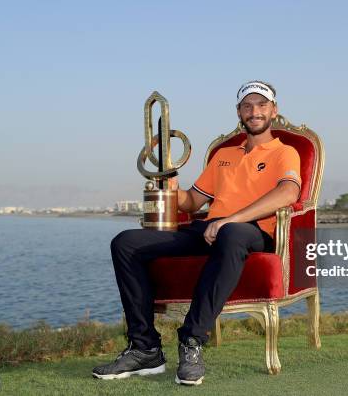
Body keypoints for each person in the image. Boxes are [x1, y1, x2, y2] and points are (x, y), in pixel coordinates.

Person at [92, 80, 302, 385]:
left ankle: (191, 340)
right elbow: (193, 201)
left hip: (253, 232)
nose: (254, 111)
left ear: (273, 110)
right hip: (210, 230)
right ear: (239, 113)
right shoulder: (224, 155)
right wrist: (173, 184)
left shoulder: (285, 152)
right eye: (247, 106)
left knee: (232, 233)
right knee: (126, 243)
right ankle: (145, 348)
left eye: (261, 105)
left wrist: (232, 219)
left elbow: (288, 194)